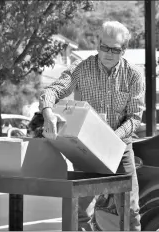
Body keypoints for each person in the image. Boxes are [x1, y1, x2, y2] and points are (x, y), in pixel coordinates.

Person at [39, 21, 145, 231]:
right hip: (87, 152)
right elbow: (53, 90)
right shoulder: (81, 68)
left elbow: (135, 117)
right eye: (104, 47)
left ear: (123, 50)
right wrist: (48, 111)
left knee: (131, 212)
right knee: (81, 213)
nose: (108, 53)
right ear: (98, 45)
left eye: (114, 50)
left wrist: (111, 139)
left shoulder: (134, 75)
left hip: (121, 149)